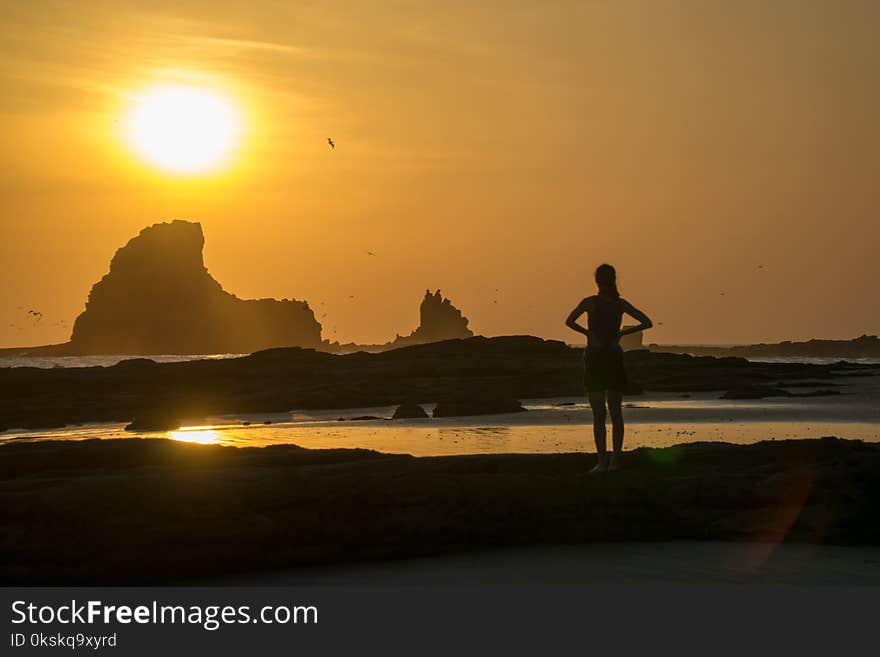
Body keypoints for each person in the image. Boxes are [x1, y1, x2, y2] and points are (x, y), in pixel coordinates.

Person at [565, 264, 652, 472]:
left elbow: (569, 321)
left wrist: (589, 334)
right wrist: (616, 335)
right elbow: (646, 322)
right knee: (612, 412)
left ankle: (606, 462)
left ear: (597, 281)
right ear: (613, 279)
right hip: (606, 358)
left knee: (603, 413)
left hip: (600, 358)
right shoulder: (616, 304)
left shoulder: (594, 302)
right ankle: (610, 462)